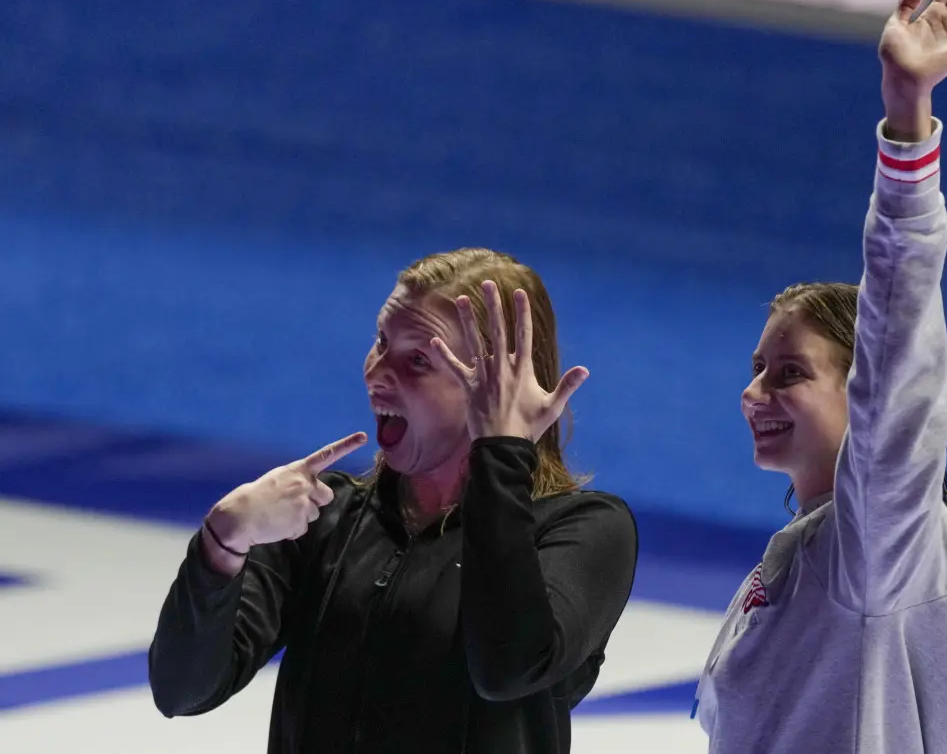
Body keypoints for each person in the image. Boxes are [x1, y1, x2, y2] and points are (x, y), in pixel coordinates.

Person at [693, 0, 947, 754]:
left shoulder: (877, 548)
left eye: (791, 373)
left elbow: (901, 343)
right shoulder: (807, 553)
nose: (755, 394)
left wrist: (908, 121)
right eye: (757, 370)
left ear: (863, 391)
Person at [148, 248, 638, 754]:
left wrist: (503, 455)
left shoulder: (585, 531)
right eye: (382, 342)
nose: (378, 374)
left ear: (500, 387)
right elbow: (181, 690)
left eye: (419, 360)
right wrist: (222, 543)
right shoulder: (325, 517)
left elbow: (506, 668)